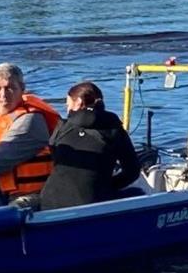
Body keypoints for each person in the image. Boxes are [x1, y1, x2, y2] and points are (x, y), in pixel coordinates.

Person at [39, 81, 141, 211]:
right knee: (138, 193)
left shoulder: (62, 127)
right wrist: (106, 185)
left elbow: (55, 159)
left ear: (79, 102)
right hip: (91, 204)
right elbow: (132, 171)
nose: (67, 110)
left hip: (50, 203)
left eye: (68, 105)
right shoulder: (114, 129)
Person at [0, 62, 61, 199]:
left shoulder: (30, 121)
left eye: (10, 88)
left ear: (22, 89)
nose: (3, 95)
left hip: (29, 196)